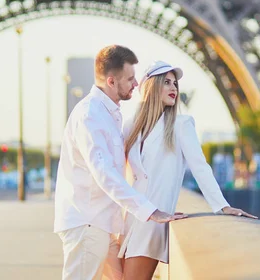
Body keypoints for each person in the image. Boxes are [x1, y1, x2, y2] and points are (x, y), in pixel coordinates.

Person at [54, 47, 187, 280]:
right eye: (130, 79)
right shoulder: (90, 115)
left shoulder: (111, 115)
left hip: (103, 227)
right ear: (112, 81)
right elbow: (103, 173)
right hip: (88, 225)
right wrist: (149, 210)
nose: (136, 84)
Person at [119, 61, 258, 279]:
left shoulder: (181, 125)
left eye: (175, 83)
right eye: (166, 82)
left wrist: (222, 206)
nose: (174, 88)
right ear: (151, 87)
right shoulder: (131, 126)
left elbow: (200, 167)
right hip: (130, 218)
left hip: (154, 222)